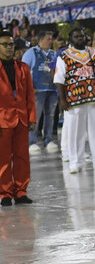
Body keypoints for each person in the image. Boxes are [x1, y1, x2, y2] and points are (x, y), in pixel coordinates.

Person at [54, 28, 95, 173]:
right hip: (73, 100)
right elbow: (59, 79)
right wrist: (62, 99)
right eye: (76, 36)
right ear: (71, 39)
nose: (79, 38)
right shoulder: (64, 56)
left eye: (81, 36)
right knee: (75, 132)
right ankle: (75, 162)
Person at [0, 31, 36, 206]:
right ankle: (5, 193)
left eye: (11, 44)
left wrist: (32, 117)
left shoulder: (23, 68)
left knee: (22, 157)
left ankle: (21, 191)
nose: (9, 48)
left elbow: (30, 95)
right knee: (3, 158)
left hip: (21, 118)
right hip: (2, 120)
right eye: (5, 44)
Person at [21, 31, 58, 153]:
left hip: (52, 89)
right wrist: (29, 88)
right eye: (48, 39)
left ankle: (48, 139)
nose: (51, 41)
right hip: (37, 90)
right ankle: (31, 142)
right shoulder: (31, 53)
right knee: (35, 116)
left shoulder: (54, 54)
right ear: (40, 40)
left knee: (50, 115)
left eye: (51, 39)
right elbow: (23, 72)